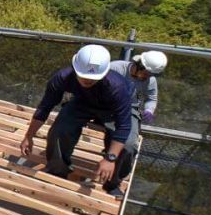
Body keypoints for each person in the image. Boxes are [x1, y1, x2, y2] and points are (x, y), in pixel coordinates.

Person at [20, 44, 134, 196]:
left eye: (92, 78)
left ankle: (112, 183)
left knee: (127, 144)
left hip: (113, 109)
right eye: (83, 76)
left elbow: (124, 126)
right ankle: (57, 171)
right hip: (83, 101)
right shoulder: (62, 77)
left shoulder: (117, 88)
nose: (87, 80)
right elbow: (45, 107)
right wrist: (29, 135)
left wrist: (110, 158)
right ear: (75, 68)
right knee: (60, 130)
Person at [109, 50, 165, 128]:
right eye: (146, 73)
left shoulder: (150, 80)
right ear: (139, 66)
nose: (147, 77)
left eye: (151, 74)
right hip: (105, 104)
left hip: (129, 109)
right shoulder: (115, 68)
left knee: (130, 138)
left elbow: (151, 98)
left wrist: (149, 110)